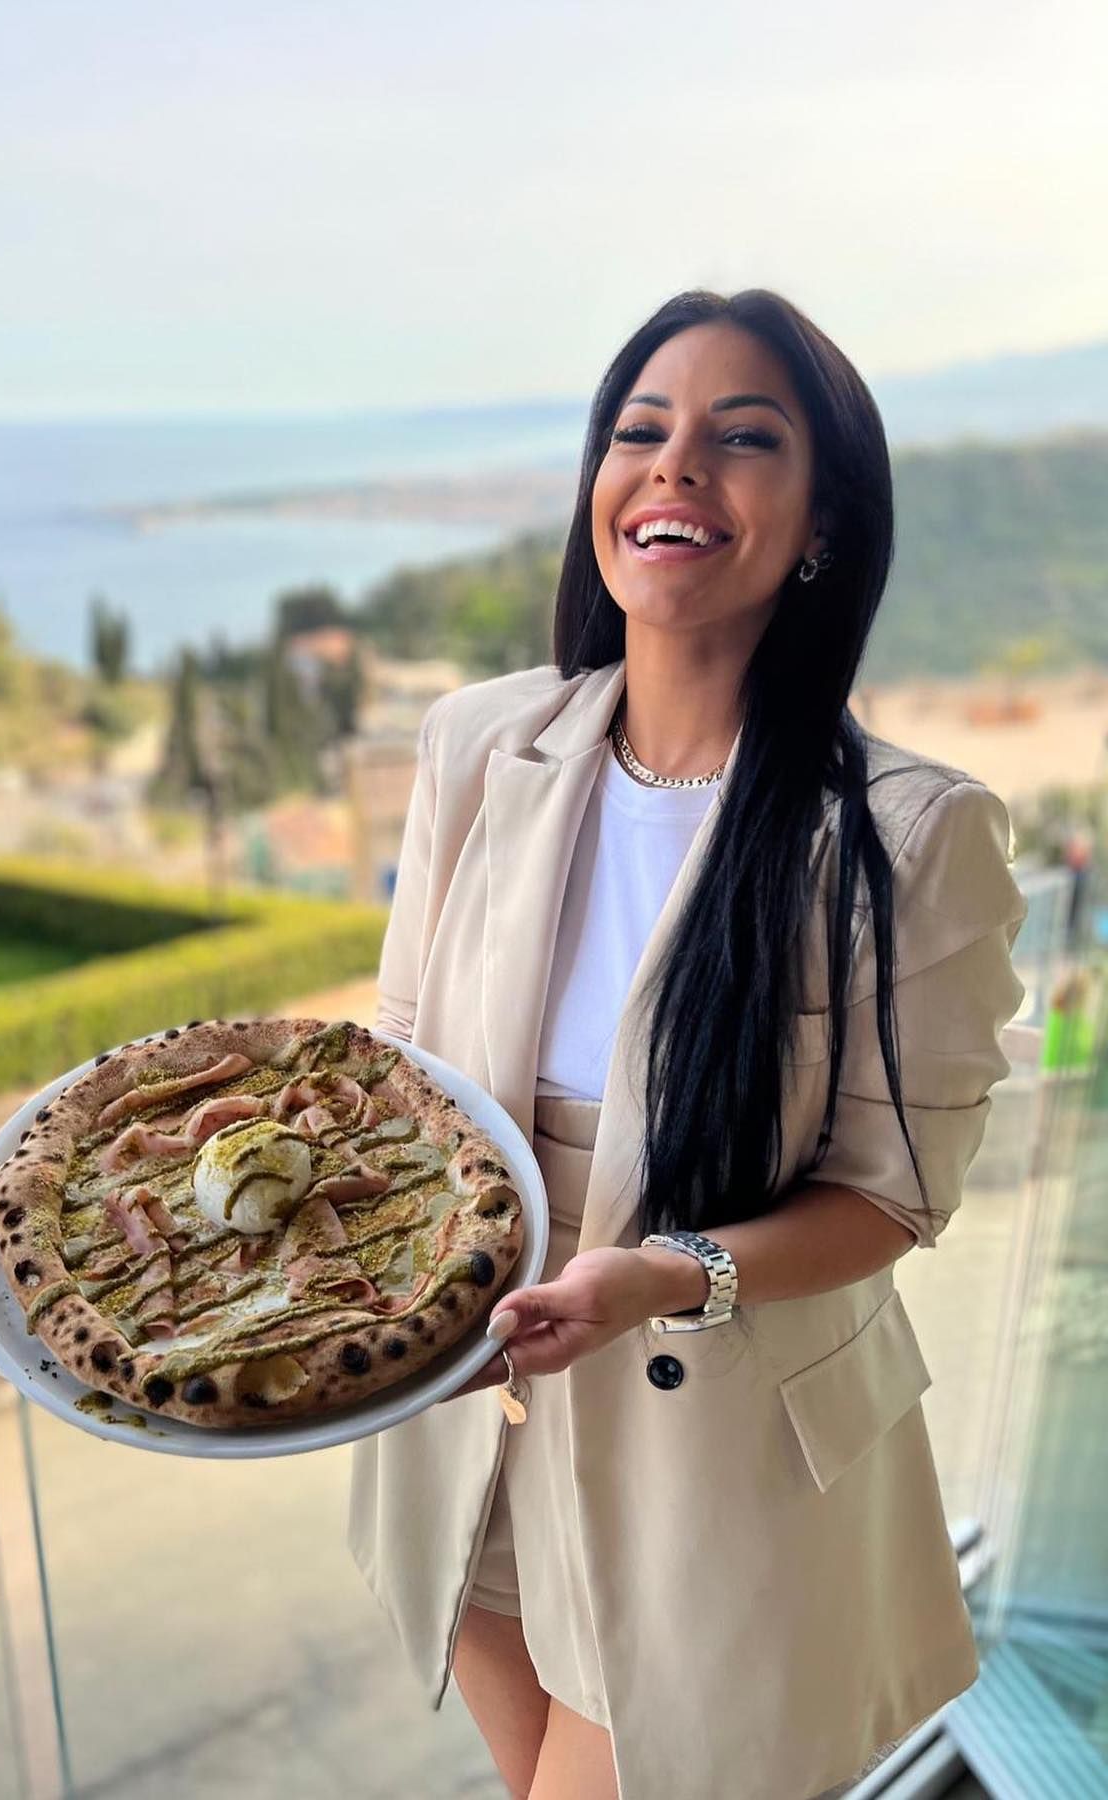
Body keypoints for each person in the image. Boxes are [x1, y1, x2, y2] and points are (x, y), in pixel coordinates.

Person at [345, 288, 1027, 1800]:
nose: (675, 469)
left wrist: (663, 1274)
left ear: (823, 520)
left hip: (711, 1453)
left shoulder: (911, 836)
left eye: (743, 438)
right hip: (468, 1413)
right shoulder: (479, 746)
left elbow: (892, 1196)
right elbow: (404, 1060)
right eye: (641, 432)